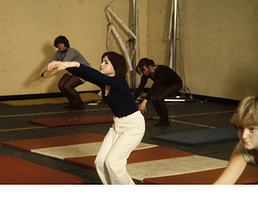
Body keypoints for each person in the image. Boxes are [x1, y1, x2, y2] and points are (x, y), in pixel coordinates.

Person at [47, 51, 145, 185]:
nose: (101, 64)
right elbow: (84, 74)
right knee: (99, 162)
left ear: (116, 66)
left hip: (133, 126)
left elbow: (93, 74)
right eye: (101, 61)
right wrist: (64, 65)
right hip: (117, 126)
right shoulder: (105, 83)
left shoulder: (120, 82)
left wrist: (74, 63)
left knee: (113, 163)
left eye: (106, 62)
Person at [33, 35, 90, 110]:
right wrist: (40, 74)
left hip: (83, 71)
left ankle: (80, 104)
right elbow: (48, 64)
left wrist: (50, 74)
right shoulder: (58, 53)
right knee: (60, 85)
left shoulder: (71, 52)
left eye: (60, 43)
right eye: (57, 44)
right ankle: (72, 103)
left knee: (67, 86)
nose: (58, 45)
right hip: (73, 71)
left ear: (65, 43)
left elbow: (62, 66)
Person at [214, 96, 258, 184]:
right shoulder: (243, 147)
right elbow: (223, 184)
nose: (244, 136)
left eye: (252, 129)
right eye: (240, 128)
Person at [134, 58, 182, 127]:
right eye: (142, 71)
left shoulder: (160, 70)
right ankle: (162, 120)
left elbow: (155, 86)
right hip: (165, 84)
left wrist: (145, 101)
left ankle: (166, 120)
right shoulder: (146, 74)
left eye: (144, 70)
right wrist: (132, 100)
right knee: (154, 99)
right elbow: (140, 88)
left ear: (150, 67)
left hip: (175, 83)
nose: (143, 72)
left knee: (159, 98)